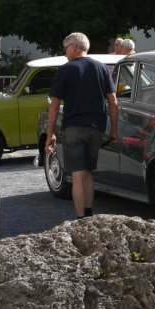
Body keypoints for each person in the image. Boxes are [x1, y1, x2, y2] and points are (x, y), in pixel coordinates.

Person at [43, 31, 117, 221]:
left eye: (65, 48)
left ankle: (80, 219)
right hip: (96, 126)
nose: (64, 52)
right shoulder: (102, 68)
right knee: (88, 172)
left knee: (77, 174)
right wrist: (114, 130)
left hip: (73, 127)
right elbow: (113, 102)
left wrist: (50, 134)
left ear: (74, 47)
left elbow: (54, 106)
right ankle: (90, 214)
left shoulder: (65, 70)